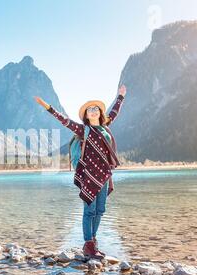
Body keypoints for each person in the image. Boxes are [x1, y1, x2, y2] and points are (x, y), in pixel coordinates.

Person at [34, 85, 127, 259]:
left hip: (104, 175)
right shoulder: (83, 130)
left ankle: (92, 242)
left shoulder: (105, 127)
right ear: (86, 115)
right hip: (88, 176)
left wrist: (120, 96)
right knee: (89, 211)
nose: (93, 111)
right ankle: (88, 246)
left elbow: (114, 112)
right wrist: (47, 106)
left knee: (100, 210)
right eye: (89, 110)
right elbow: (63, 120)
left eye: (95, 109)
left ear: (100, 113)